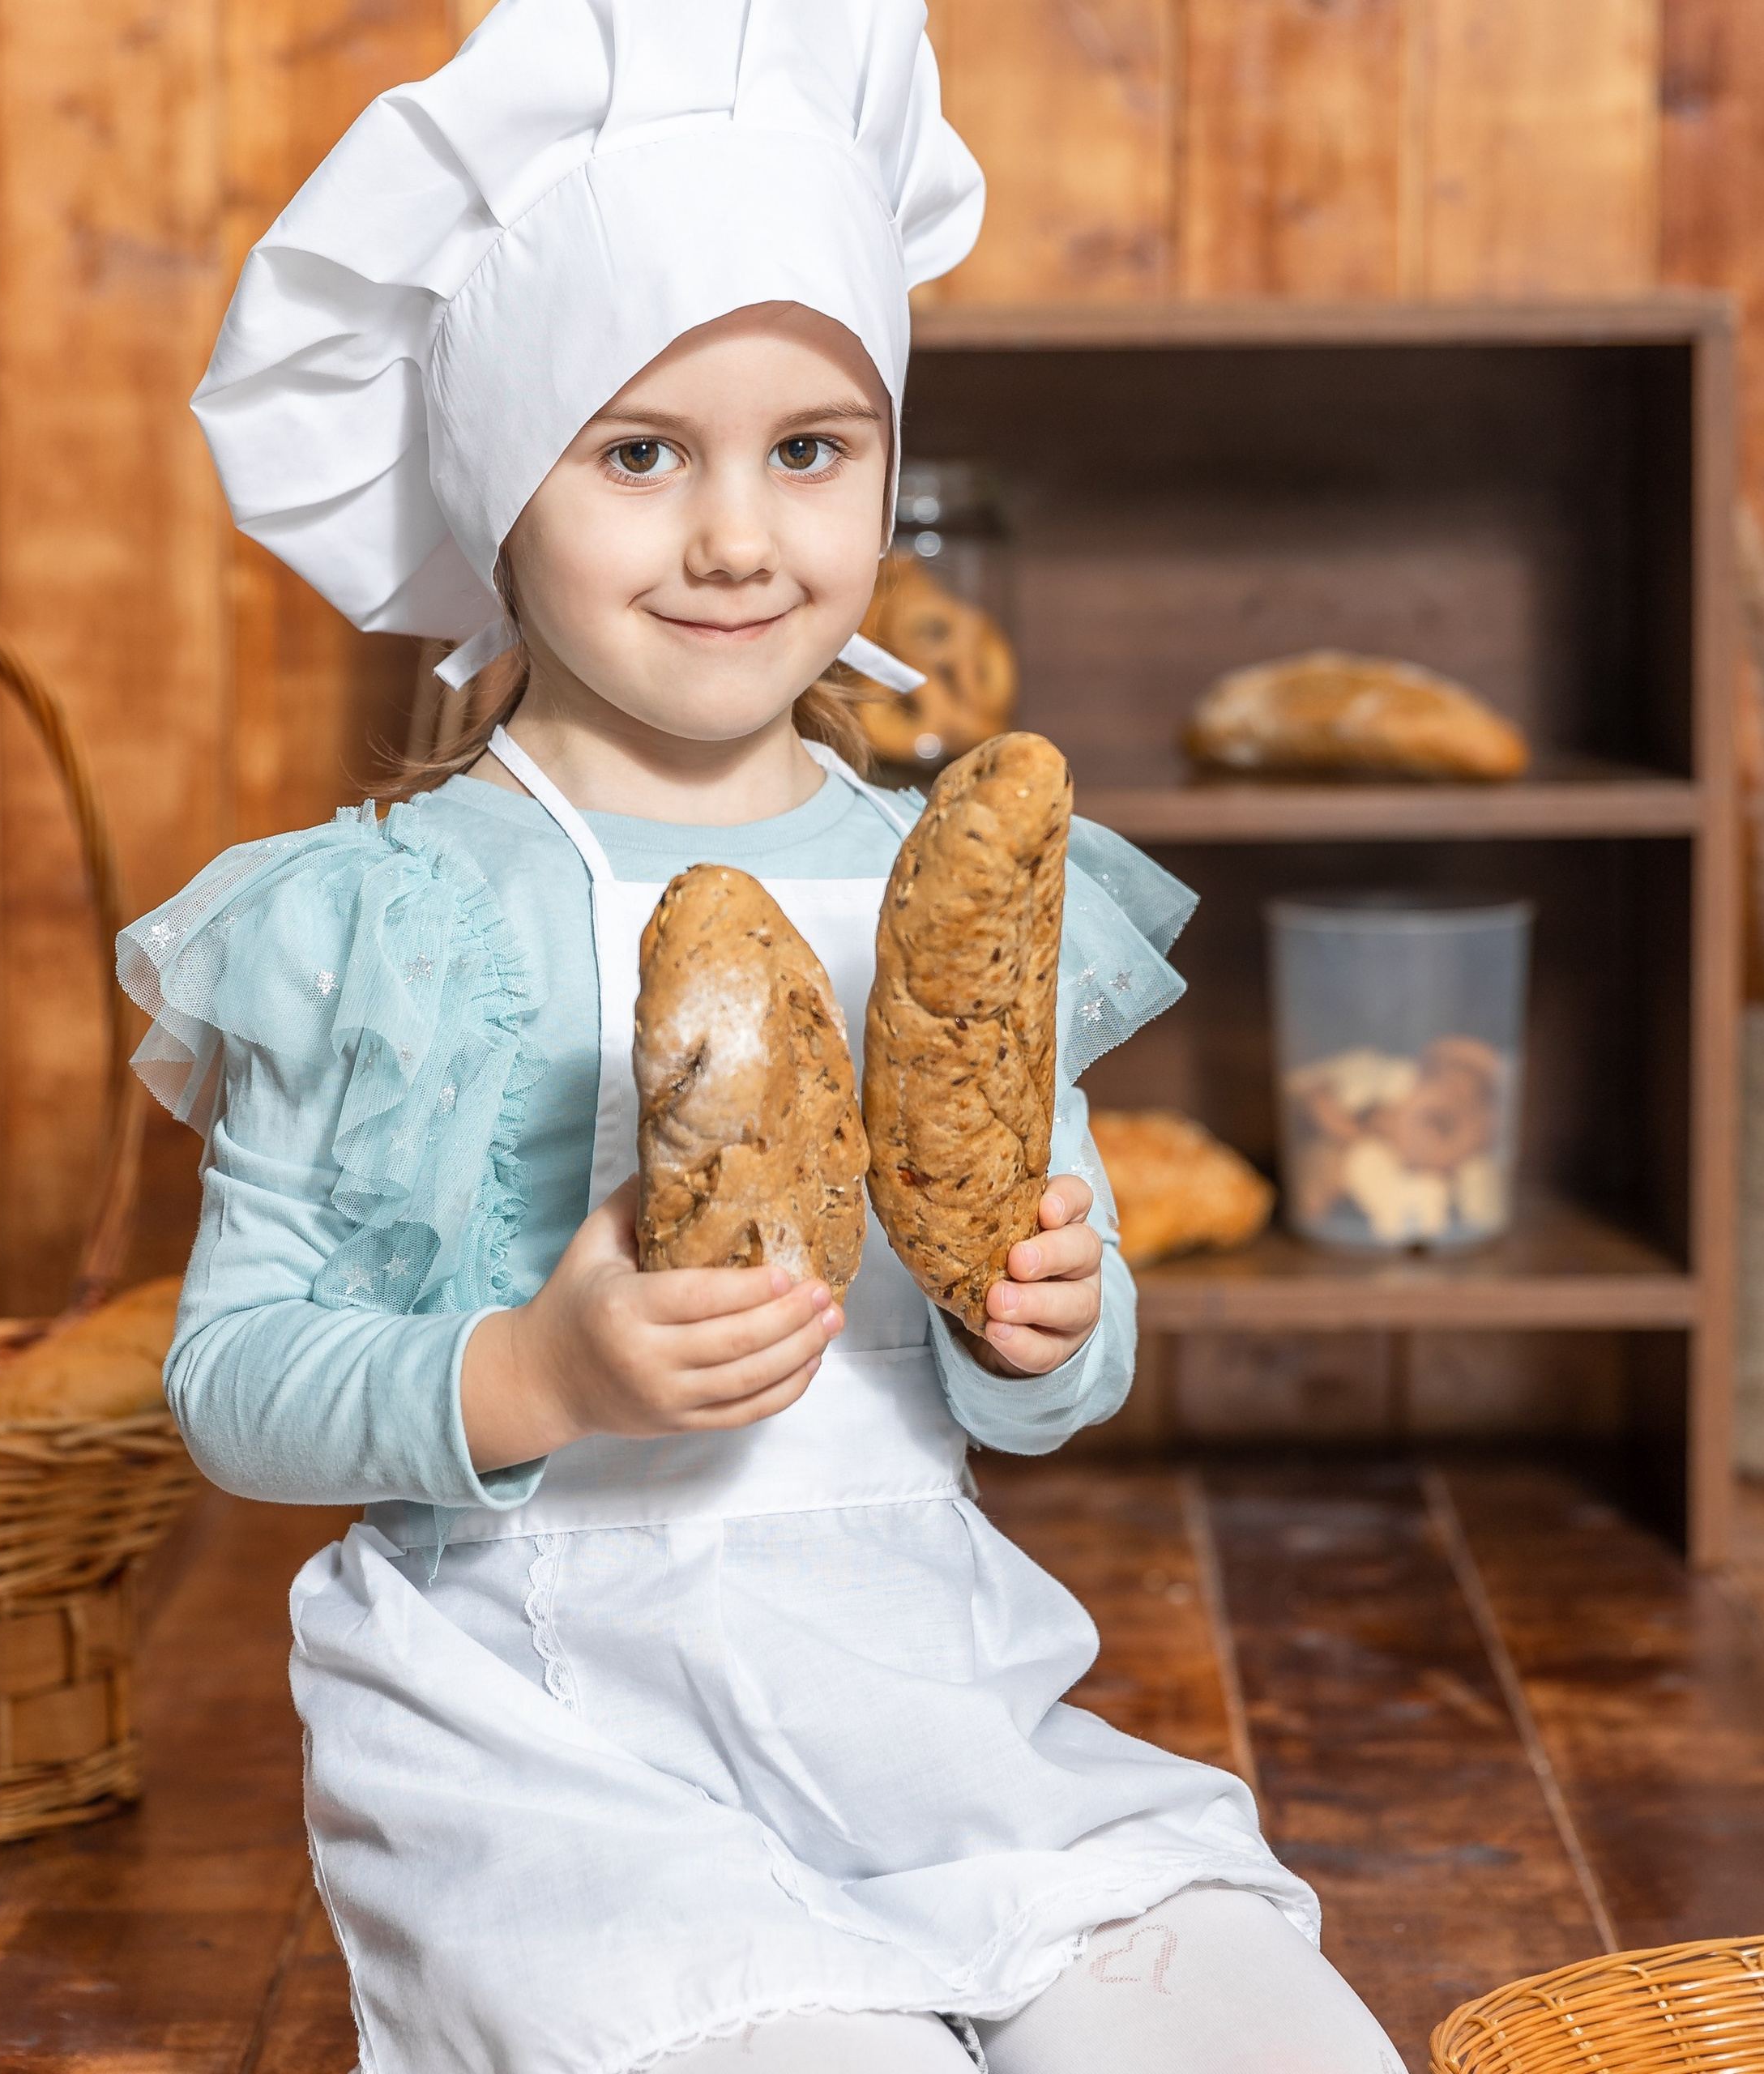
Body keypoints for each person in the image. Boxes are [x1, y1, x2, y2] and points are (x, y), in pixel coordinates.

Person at [122, 4, 1403, 2069]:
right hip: (545, 1741)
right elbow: (226, 1377)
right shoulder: (388, 916)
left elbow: (1046, 1393)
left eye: (809, 449)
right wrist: (529, 1367)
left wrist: (1052, 1322)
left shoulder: (960, 894)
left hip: (915, 1692)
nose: (738, 536)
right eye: (639, 453)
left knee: (1265, 2038)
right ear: (495, 478)